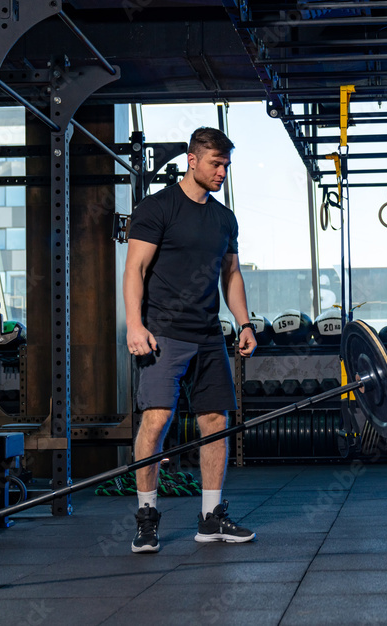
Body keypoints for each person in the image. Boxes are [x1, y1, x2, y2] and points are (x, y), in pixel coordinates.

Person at [123, 127, 258, 554]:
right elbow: (134, 270)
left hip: (207, 335)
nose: (222, 172)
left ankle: (211, 517)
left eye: (226, 166)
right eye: (215, 164)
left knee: (216, 422)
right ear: (192, 160)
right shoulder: (157, 208)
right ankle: (146, 519)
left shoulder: (223, 218)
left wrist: (244, 323)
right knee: (157, 419)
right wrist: (134, 325)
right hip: (162, 333)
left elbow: (231, 274)